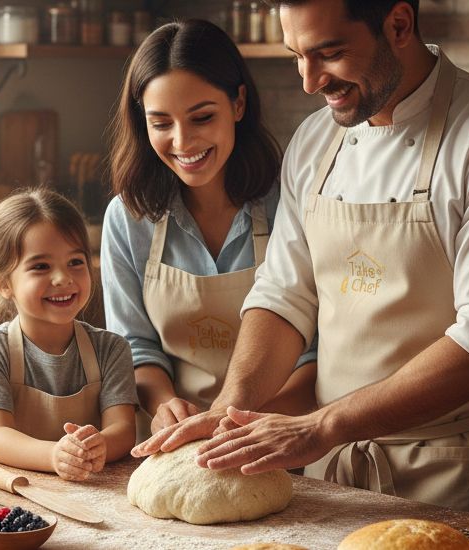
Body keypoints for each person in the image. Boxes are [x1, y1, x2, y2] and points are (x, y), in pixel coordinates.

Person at [132, 0, 469, 522]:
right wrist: (233, 408)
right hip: (332, 474)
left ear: (399, 25)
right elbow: (283, 295)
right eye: (297, 55)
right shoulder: (316, 141)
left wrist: (322, 426)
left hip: (456, 472)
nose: (309, 81)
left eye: (330, 54)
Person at [102, 19, 317, 440]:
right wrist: (166, 407)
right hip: (172, 441)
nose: (183, 142)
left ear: (238, 104)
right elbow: (134, 345)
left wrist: (242, 427)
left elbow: (315, 353)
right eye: (161, 123)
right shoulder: (128, 218)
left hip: (280, 434)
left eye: (201, 117)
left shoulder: (289, 205)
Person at [0, 188, 138, 481]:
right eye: (41, 266)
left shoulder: (111, 348)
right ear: (3, 283)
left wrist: (100, 446)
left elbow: (123, 429)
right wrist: (54, 456)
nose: (63, 278)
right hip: (20, 490)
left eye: (75, 262)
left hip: (91, 486)